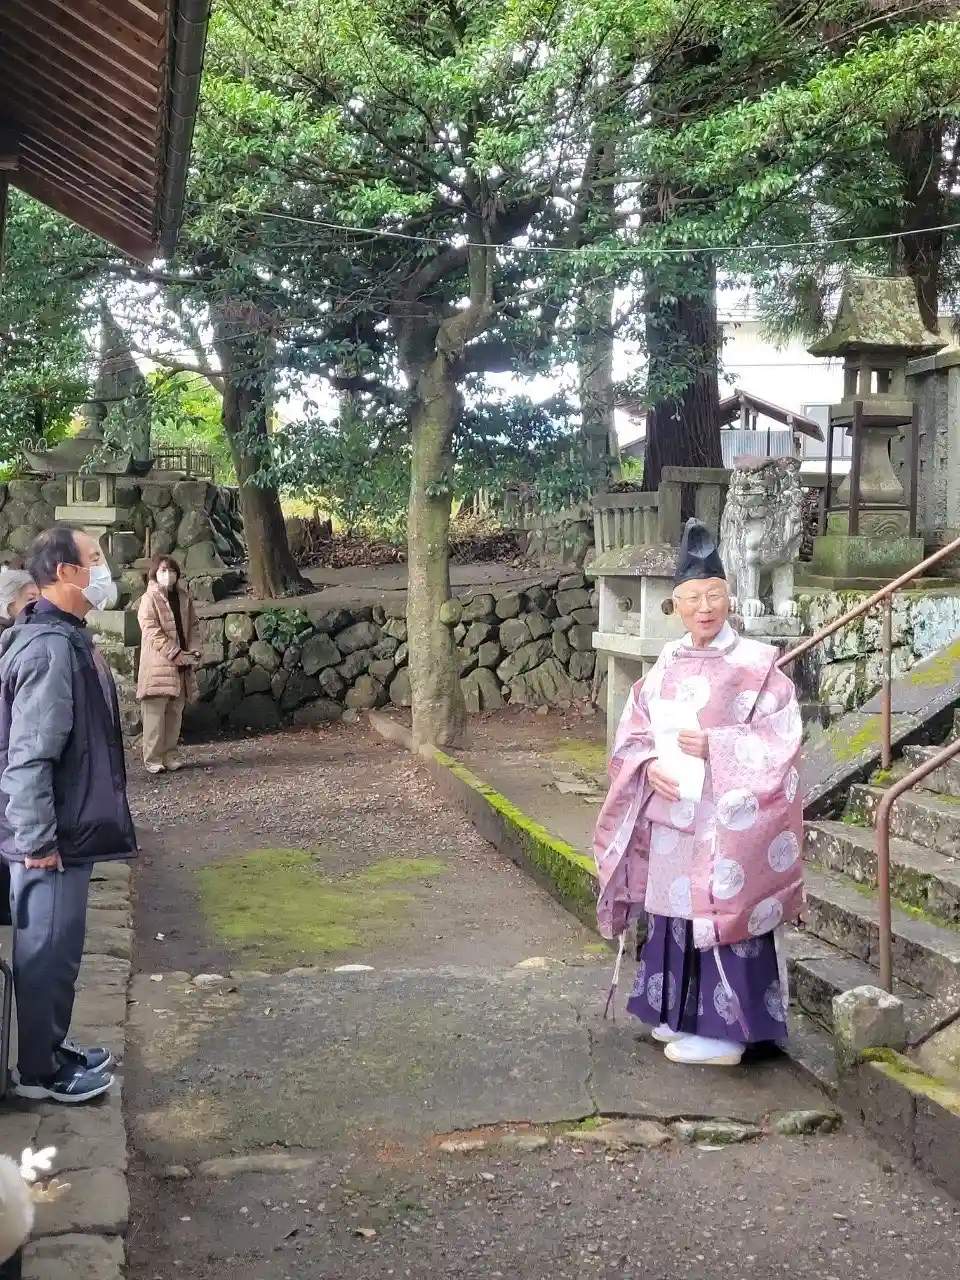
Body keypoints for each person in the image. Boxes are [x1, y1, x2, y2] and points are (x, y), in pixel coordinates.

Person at [593, 518, 804, 1067]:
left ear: (730, 597)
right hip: (675, 811)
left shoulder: (757, 665)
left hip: (729, 821)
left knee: (723, 909)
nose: (704, 608)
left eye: (714, 595)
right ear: (677, 605)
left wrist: (719, 747)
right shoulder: (666, 662)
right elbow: (634, 730)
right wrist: (646, 767)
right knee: (674, 909)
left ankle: (727, 1032)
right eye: (692, 598)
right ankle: (680, 1014)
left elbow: (782, 737)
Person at [0, 526, 137, 1103]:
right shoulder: (50, 648)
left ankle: (50, 1047)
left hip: (64, 829)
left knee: (57, 951)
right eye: (94, 559)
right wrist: (37, 841)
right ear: (65, 572)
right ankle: (39, 1073)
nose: (104, 569)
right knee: (46, 953)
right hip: (47, 837)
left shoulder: (63, 637)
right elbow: (29, 756)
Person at [136, 555, 201, 774]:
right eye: (163, 570)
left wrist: (194, 649)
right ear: (154, 573)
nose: (168, 574)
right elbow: (151, 630)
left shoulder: (183, 598)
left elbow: (193, 626)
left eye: (172, 570)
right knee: (154, 715)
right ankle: (153, 758)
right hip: (158, 664)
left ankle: (170, 755)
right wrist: (174, 652)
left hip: (182, 663)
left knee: (175, 713)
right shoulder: (149, 598)